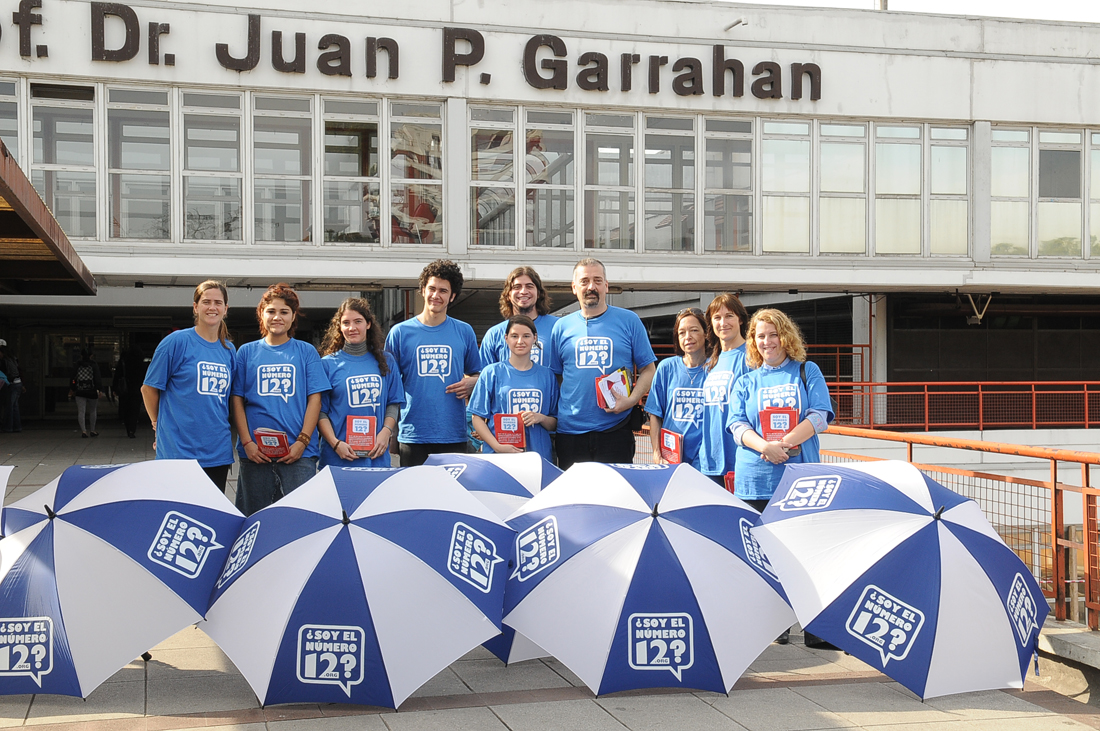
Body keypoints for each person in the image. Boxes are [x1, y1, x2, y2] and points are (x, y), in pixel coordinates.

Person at [728, 308, 834, 647]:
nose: (767, 341)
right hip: (755, 478)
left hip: (799, 478)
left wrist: (784, 444)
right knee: (763, 554)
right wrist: (765, 447)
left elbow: (820, 416)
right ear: (753, 342)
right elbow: (737, 425)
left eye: (773, 334)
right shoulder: (746, 381)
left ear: (786, 336)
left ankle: (816, 629)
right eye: (760, 336)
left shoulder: (806, 371)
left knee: (807, 551)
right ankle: (774, 626)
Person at [549, 258, 657, 469]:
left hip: (616, 430)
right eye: (585, 281)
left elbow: (648, 369)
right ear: (574, 288)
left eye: (598, 280)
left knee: (616, 498)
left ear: (606, 286)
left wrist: (632, 399)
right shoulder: (561, 327)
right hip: (570, 432)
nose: (591, 286)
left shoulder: (630, 321)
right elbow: (556, 377)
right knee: (576, 500)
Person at [231, 283, 328, 515]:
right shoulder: (246, 352)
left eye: (284, 312)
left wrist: (302, 442)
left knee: (300, 520)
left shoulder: (306, 352)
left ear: (293, 317)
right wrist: (247, 443)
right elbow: (236, 400)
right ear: (261, 314)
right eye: (271, 311)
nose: (277, 317)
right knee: (254, 519)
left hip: (299, 454)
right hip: (255, 454)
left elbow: (315, 399)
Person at [385, 259, 481, 467]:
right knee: (414, 498)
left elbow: (479, 374)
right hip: (413, 433)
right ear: (422, 290)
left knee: (450, 498)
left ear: (452, 296)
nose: (436, 295)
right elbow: (389, 386)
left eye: (443, 291)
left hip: (453, 433)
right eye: (432, 288)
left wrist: (472, 382)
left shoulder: (464, 331)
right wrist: (391, 432)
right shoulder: (400, 333)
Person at [142, 281, 236, 490]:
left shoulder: (229, 350)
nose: (212, 307)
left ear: (225, 309)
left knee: (211, 518)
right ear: (195, 307)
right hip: (178, 452)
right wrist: (158, 425)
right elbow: (148, 389)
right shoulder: (176, 342)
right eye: (206, 302)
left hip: (217, 452)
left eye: (218, 303)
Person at [317, 298, 405, 469]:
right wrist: (335, 444)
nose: (352, 328)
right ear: (339, 327)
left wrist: (385, 433)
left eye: (358, 321)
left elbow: (393, 403)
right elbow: (320, 413)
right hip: (337, 458)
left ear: (368, 324)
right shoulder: (327, 364)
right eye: (346, 323)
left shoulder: (387, 361)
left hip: (376, 458)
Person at [469, 315, 559, 463]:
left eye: (526, 336)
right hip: (500, 457)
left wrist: (540, 417)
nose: (520, 341)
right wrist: (497, 446)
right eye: (514, 336)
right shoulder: (491, 372)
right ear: (506, 338)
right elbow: (477, 417)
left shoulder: (547, 375)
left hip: (538, 456)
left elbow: (555, 422)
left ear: (535, 338)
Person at [646, 308, 710, 470]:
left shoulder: (716, 368)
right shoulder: (666, 367)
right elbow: (655, 413)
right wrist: (656, 452)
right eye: (682, 333)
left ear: (706, 333)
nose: (687, 337)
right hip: (671, 457)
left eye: (694, 330)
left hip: (706, 460)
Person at [699, 294, 751, 486]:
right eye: (717, 318)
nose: (723, 322)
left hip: (740, 458)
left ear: (741, 319)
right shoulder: (711, 363)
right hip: (710, 460)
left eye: (729, 316)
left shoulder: (751, 357)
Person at [479, 266, 557, 367]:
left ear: (538, 293)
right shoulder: (494, 334)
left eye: (529, 286)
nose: (523, 291)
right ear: (508, 294)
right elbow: (483, 376)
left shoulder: (558, 327)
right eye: (517, 287)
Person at [70, 349, 103, 437]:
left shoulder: (77, 365)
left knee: (81, 411)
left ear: (81, 356)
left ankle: (83, 431)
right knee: (92, 411)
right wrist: (99, 389)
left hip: (80, 391)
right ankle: (92, 430)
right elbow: (97, 378)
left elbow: (73, 378)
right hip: (92, 391)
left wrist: (73, 389)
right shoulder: (93, 364)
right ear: (91, 355)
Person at [115, 346, 146, 439]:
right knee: (134, 410)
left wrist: (115, 388)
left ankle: (127, 427)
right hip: (137, 389)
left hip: (125, 390)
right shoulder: (141, 365)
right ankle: (132, 429)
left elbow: (117, 376)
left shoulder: (124, 363)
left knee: (126, 409)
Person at [0, 339, 22, 433]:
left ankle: (8, 427)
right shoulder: (13, 358)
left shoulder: (4, 361)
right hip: (18, 383)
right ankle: (17, 427)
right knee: (14, 407)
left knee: (9, 407)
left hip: (12, 383)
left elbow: (5, 373)